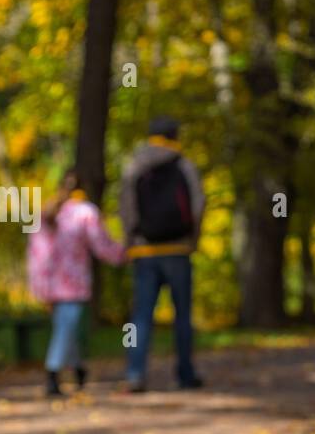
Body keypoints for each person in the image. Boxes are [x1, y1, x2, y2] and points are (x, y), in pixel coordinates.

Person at [119, 116, 206, 392]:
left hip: (145, 249)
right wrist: (193, 238)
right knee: (183, 315)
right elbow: (198, 203)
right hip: (178, 249)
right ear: (175, 135)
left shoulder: (134, 166)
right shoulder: (184, 165)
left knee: (141, 316)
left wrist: (130, 239)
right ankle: (185, 373)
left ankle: (135, 373)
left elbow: (126, 205)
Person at [26, 171, 126, 396]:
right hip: (73, 281)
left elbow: (34, 252)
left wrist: (37, 284)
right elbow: (101, 244)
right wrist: (123, 255)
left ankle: (78, 369)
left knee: (65, 327)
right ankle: (52, 374)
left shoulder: (46, 211)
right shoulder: (84, 212)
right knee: (65, 328)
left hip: (49, 282)